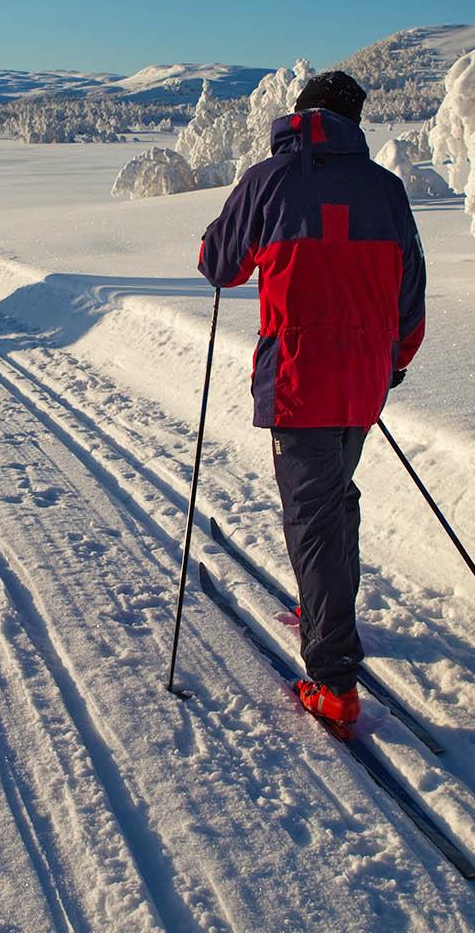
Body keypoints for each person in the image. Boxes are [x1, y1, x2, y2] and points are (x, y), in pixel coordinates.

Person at [196, 71, 425, 726]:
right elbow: (412, 290)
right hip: (365, 381)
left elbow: (220, 265)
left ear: (301, 116)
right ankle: (329, 604)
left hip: (301, 380)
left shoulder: (269, 180)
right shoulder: (386, 189)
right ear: (355, 121)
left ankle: (332, 678)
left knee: (315, 519)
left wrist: (213, 245)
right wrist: (394, 364)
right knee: (335, 497)